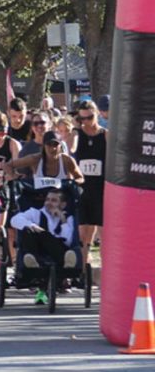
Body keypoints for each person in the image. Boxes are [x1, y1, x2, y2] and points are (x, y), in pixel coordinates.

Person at [9, 188, 77, 305]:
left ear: (63, 204)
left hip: (58, 250)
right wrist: (32, 225)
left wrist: (63, 220)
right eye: (47, 199)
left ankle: (67, 265)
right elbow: (14, 220)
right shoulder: (35, 213)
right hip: (38, 251)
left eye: (54, 200)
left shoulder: (68, 219)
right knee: (28, 230)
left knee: (58, 242)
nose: (49, 203)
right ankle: (33, 262)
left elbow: (68, 240)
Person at [72, 100, 106, 270]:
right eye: (82, 118)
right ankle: (83, 270)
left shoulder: (105, 135)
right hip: (82, 189)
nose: (86, 121)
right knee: (83, 232)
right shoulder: (77, 134)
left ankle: (107, 269)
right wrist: (75, 127)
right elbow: (71, 147)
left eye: (89, 117)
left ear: (97, 114)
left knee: (103, 233)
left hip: (101, 190)